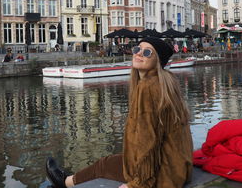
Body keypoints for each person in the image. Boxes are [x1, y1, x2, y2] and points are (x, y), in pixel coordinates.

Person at [46, 37, 193, 188]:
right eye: (137, 49)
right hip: (178, 167)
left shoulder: (148, 87)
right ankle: (65, 182)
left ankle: (63, 182)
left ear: (158, 61)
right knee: (106, 163)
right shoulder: (164, 83)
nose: (139, 54)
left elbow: (148, 142)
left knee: (104, 166)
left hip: (163, 175)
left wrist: (136, 184)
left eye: (147, 52)